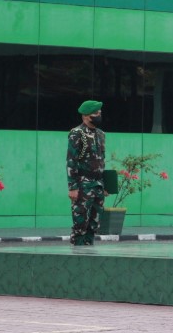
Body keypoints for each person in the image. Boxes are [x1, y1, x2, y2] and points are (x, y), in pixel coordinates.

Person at [66, 100, 106, 245]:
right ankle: (78, 249)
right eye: (95, 113)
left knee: (95, 222)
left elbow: (102, 160)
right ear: (85, 116)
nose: (99, 115)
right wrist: (73, 187)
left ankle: (89, 247)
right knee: (80, 220)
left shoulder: (101, 134)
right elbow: (71, 161)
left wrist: (105, 184)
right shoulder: (77, 133)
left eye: (100, 113)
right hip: (83, 183)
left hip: (98, 184)